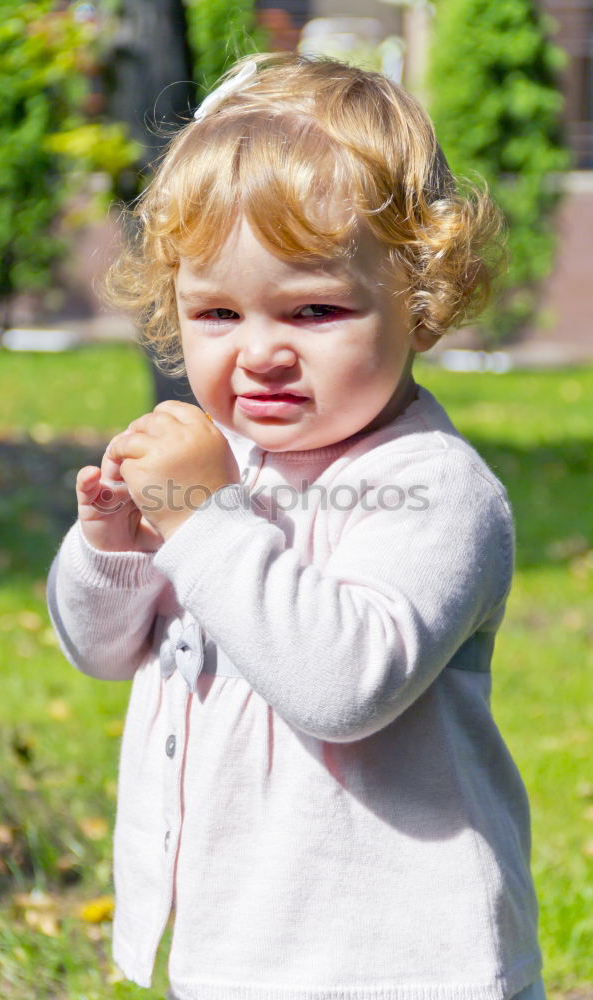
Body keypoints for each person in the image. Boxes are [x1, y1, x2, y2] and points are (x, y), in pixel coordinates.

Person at [47, 54, 546, 1000]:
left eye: (314, 309)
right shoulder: (220, 473)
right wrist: (111, 549)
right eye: (217, 312)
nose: (262, 352)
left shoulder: (436, 489)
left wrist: (199, 518)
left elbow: (344, 686)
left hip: (405, 961)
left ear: (422, 300)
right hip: (241, 947)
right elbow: (102, 652)